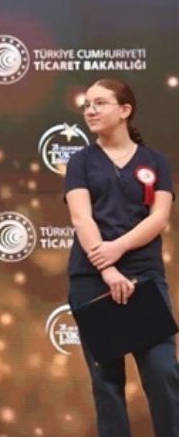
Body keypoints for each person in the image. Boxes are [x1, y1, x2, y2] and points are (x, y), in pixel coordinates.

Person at [65, 77, 178, 435]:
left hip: (144, 279)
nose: (90, 110)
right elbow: (81, 218)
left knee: (163, 373)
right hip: (93, 280)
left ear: (125, 110)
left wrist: (119, 248)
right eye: (86, 105)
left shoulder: (155, 162)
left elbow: (158, 218)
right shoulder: (80, 161)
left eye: (100, 103)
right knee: (107, 383)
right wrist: (108, 268)